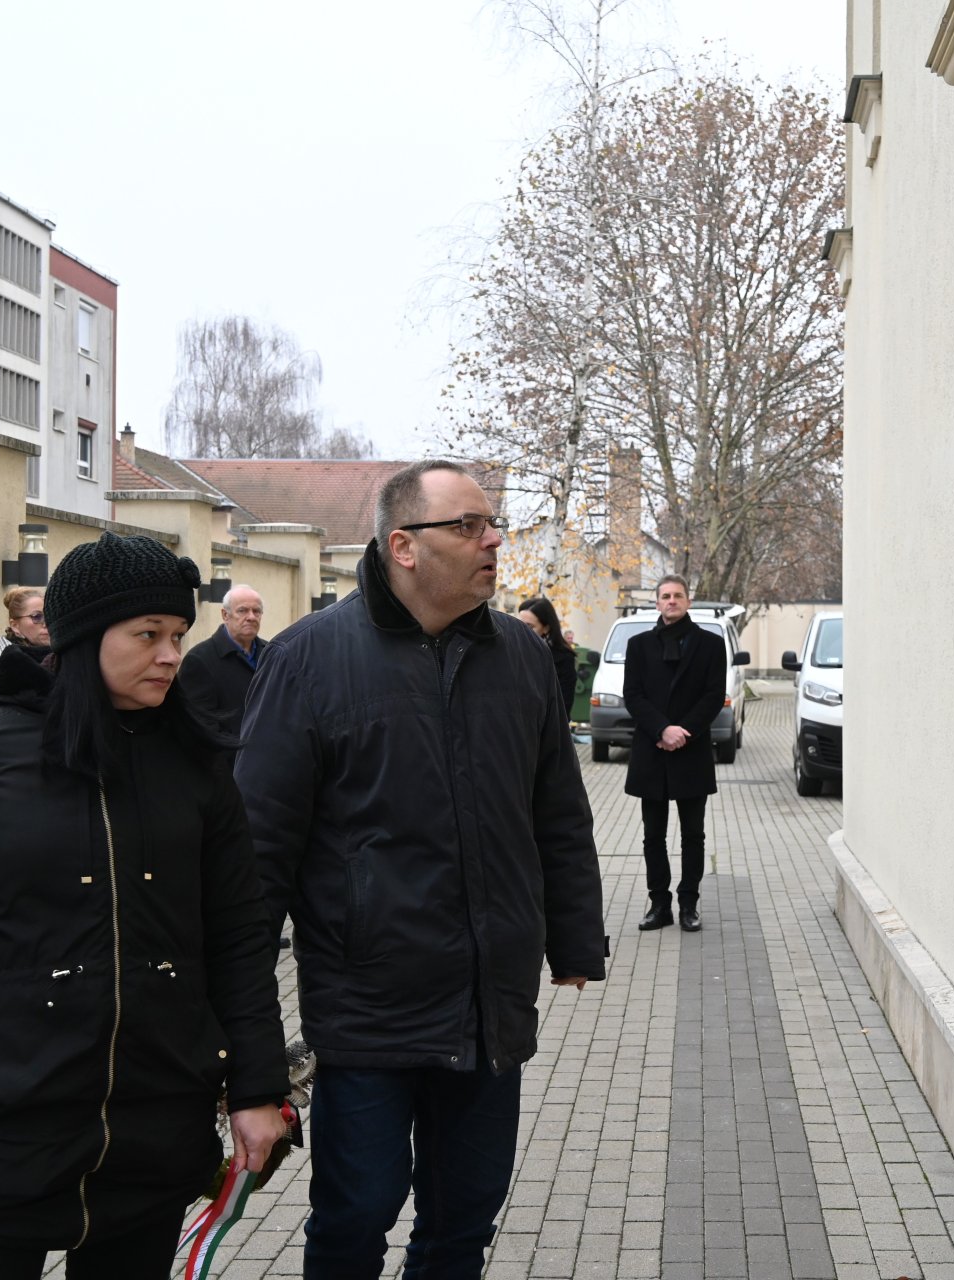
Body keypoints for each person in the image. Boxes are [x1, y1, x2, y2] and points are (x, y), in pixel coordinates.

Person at [0, 532, 291, 1278]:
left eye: (177, 635)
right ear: (82, 636)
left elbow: (237, 936)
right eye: (147, 635)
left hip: (149, 1132)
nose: (171, 654)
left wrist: (258, 1087)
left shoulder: (196, 769)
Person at [237, 459, 608, 1279]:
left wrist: (576, 940)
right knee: (356, 1213)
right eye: (469, 526)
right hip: (368, 1003)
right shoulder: (308, 660)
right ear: (402, 545)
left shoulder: (518, 656)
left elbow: (557, 810)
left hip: (488, 1007)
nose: (494, 541)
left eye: (492, 525)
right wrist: (240, 1023)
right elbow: (258, 848)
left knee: (464, 1217)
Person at [623, 574, 726, 934]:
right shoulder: (638, 645)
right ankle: (659, 904)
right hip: (652, 752)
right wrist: (661, 729)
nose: (671, 601)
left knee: (693, 835)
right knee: (653, 835)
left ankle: (689, 904)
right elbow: (633, 695)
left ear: (688, 601)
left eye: (677, 596)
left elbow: (714, 695)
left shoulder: (711, 645)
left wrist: (683, 732)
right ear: (657, 602)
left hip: (690, 751)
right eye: (665, 596)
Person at [179, 585, 266, 737]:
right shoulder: (200, 660)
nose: (251, 617)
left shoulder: (271, 654)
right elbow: (199, 726)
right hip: (230, 757)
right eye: (242, 610)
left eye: (256, 611)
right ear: (225, 615)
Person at [516, 595, 578, 718]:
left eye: (529, 627)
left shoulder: (563, 659)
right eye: (518, 624)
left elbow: (563, 706)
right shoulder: (509, 652)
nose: (521, 631)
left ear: (546, 628)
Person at [0, 586, 49, 653]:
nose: (46, 624)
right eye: (37, 617)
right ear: (15, 626)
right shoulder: (7, 660)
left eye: (49, 616)